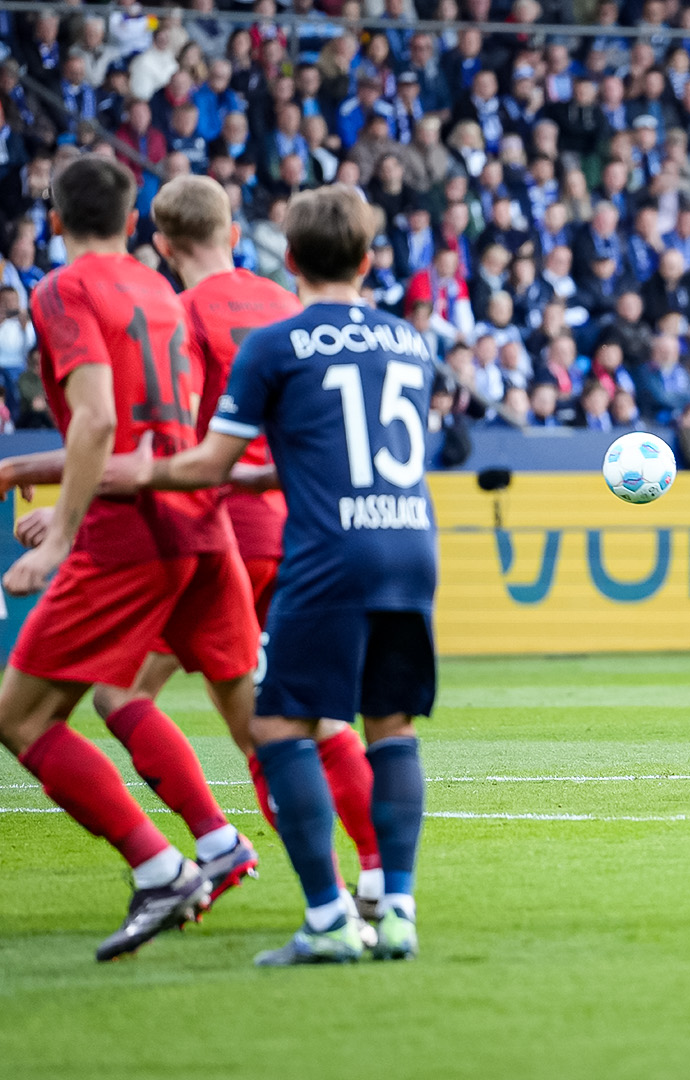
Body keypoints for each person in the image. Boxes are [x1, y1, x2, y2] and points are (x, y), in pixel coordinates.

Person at [3, 175, 390, 919]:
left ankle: (203, 847)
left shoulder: (171, 310)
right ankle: (369, 879)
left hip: (203, 519)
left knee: (120, 694)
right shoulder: (287, 307)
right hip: (292, 530)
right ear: (236, 234)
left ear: (162, 241)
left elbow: (156, 439)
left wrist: (56, 508)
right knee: (299, 721)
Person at [126, 185, 437, 963]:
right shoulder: (409, 342)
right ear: (368, 259)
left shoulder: (279, 343)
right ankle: (396, 912)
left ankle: (328, 920)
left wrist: (118, 477)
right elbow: (347, 456)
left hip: (329, 553)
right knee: (390, 727)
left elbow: (206, 462)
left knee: (277, 728)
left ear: (288, 260)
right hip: (410, 542)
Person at [0, 156, 261, 961]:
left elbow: (97, 422)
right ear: (133, 216)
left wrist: (67, 530)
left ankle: (160, 865)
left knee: (21, 716)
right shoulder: (161, 293)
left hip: (129, 539)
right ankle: (286, 870)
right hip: (199, 526)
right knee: (253, 722)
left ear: (53, 214)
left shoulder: (62, 289)